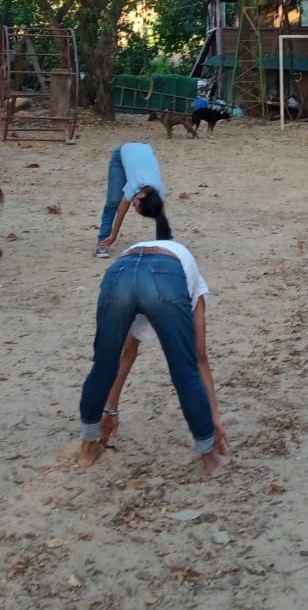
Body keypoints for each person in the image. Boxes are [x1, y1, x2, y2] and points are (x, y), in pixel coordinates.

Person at [77, 239, 228, 475]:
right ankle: (209, 457)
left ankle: (87, 449)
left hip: (120, 271)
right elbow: (200, 359)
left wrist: (111, 409)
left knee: (102, 365)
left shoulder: (147, 260)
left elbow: (126, 354)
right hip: (165, 276)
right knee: (185, 371)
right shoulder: (196, 284)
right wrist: (214, 419)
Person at [96, 142, 171, 257]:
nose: (132, 205)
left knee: (155, 210)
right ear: (141, 196)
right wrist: (113, 236)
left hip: (144, 150)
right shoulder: (135, 184)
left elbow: (160, 215)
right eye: (135, 205)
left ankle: (167, 241)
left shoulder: (158, 190)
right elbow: (121, 211)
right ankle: (103, 242)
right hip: (122, 154)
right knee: (113, 201)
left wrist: (166, 243)